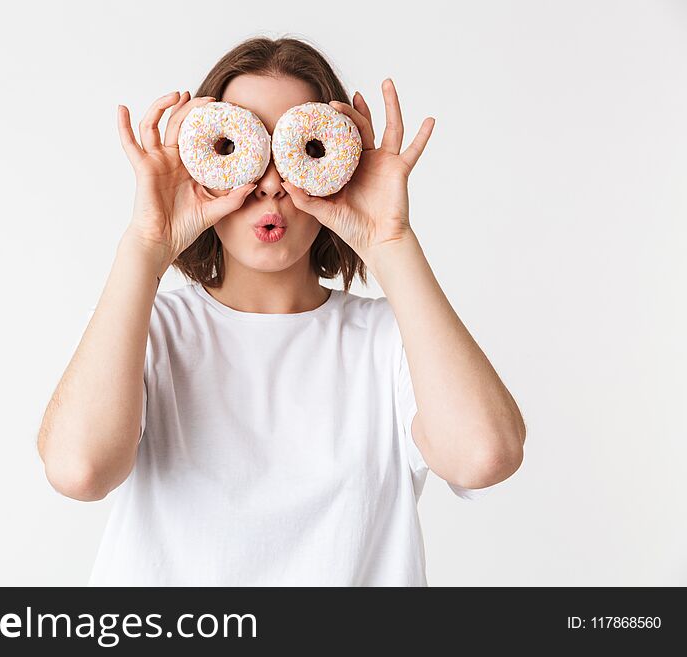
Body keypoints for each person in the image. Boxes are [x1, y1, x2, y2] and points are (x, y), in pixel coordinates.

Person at [37, 37, 526, 586]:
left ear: (341, 169)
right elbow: (80, 470)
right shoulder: (150, 333)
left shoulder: (390, 342)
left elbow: (485, 457)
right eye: (239, 146)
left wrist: (390, 243)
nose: (270, 182)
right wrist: (146, 242)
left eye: (299, 150)